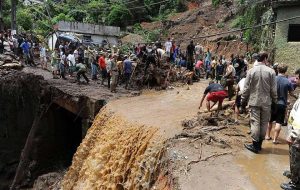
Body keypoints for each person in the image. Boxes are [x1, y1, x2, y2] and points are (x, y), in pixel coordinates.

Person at [241, 52, 277, 153]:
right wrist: (275, 102)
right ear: (265, 59)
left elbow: (246, 89)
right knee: (264, 123)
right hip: (267, 102)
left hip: (254, 101)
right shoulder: (271, 72)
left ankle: (255, 146)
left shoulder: (251, 71)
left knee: (255, 123)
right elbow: (274, 90)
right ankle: (259, 145)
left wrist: (243, 102)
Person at [265, 64, 298, 144]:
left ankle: (267, 136)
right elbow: (291, 93)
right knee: (279, 122)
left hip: (272, 102)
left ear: (277, 70)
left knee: (269, 121)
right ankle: (275, 140)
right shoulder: (288, 81)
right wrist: (297, 97)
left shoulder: (273, 79)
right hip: (282, 104)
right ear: (285, 71)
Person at [280, 103, 300, 190]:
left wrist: (293, 135)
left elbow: (298, 122)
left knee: (296, 159)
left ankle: (295, 183)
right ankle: (294, 175)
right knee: (295, 159)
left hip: (297, 136)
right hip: (296, 133)